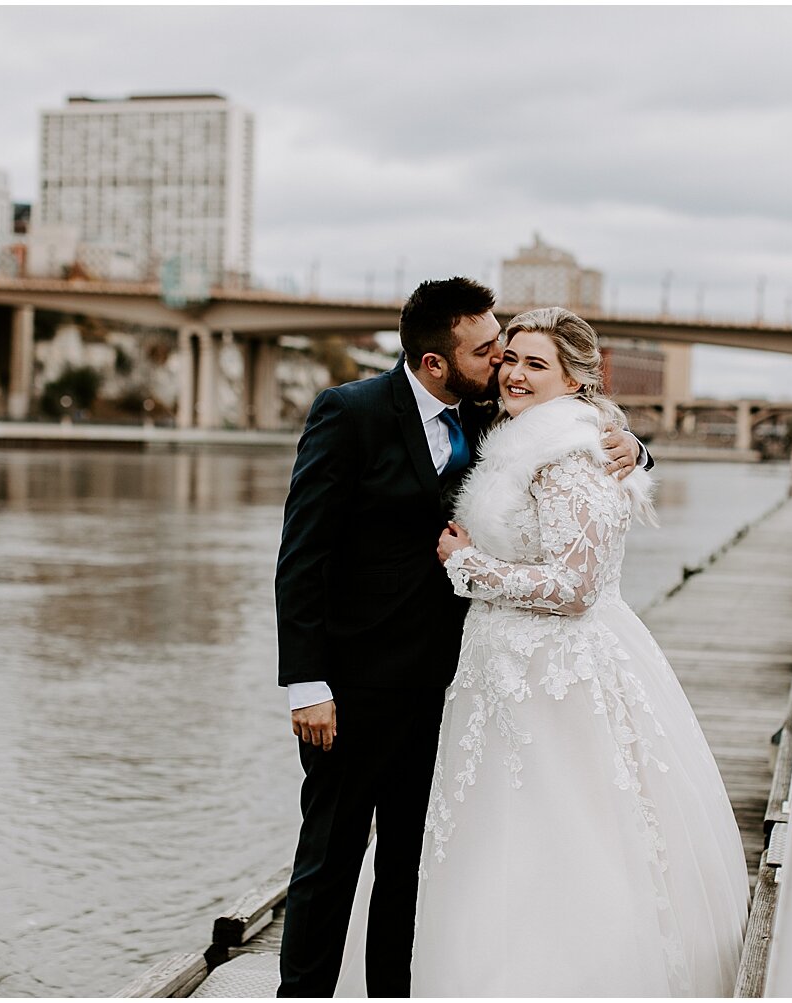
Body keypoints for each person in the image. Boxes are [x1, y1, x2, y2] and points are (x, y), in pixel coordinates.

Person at [333, 307, 748, 997]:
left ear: (576, 379)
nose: (515, 374)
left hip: (552, 675)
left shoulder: (566, 455)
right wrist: (636, 447)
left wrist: (469, 566)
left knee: (560, 831)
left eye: (535, 363)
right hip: (497, 671)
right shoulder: (515, 435)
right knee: (486, 838)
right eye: (510, 358)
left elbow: (576, 584)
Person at [274, 280, 648, 998]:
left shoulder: (494, 416)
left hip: (449, 689)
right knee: (330, 860)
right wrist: (308, 683)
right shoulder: (349, 414)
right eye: (488, 351)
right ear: (437, 363)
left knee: (415, 866)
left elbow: (576, 435)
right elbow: (303, 555)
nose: (504, 361)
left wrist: (635, 445)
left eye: (508, 348)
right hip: (353, 689)